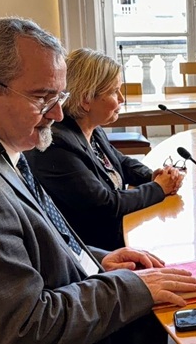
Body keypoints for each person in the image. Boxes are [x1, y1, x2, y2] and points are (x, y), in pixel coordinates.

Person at [0, 18, 196, 343]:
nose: (57, 114)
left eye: (59, 97)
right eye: (42, 98)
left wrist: (97, 261)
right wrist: (129, 288)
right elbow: (22, 329)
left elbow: (30, 248)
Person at [25, 48, 184, 250]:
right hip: (100, 251)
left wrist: (155, 175)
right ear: (86, 99)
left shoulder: (90, 128)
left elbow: (121, 163)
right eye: (114, 91)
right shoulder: (56, 145)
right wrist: (158, 188)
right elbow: (105, 205)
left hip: (120, 229)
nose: (121, 98)